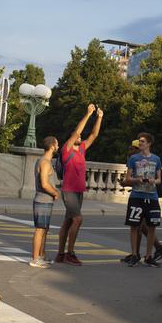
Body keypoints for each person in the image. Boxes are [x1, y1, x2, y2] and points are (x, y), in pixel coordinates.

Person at [55, 103, 103, 266]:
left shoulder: (81, 149)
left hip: (78, 190)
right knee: (77, 220)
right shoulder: (66, 149)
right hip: (68, 190)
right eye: (77, 137)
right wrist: (88, 114)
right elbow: (77, 132)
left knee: (68, 221)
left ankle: (60, 255)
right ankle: (70, 253)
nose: (80, 138)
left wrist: (99, 117)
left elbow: (94, 135)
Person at [120, 139, 162, 264]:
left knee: (141, 226)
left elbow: (141, 179)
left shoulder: (142, 160)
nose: (130, 150)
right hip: (144, 194)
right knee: (142, 226)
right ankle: (147, 251)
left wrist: (126, 182)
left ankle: (142, 253)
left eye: (133, 147)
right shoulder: (137, 159)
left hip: (149, 195)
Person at [30, 136, 60, 268]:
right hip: (42, 200)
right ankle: (35, 258)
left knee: (44, 229)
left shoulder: (43, 161)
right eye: (57, 144)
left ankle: (41, 256)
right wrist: (55, 192)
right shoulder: (45, 162)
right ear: (52, 146)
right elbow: (44, 183)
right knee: (40, 229)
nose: (58, 146)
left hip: (45, 201)